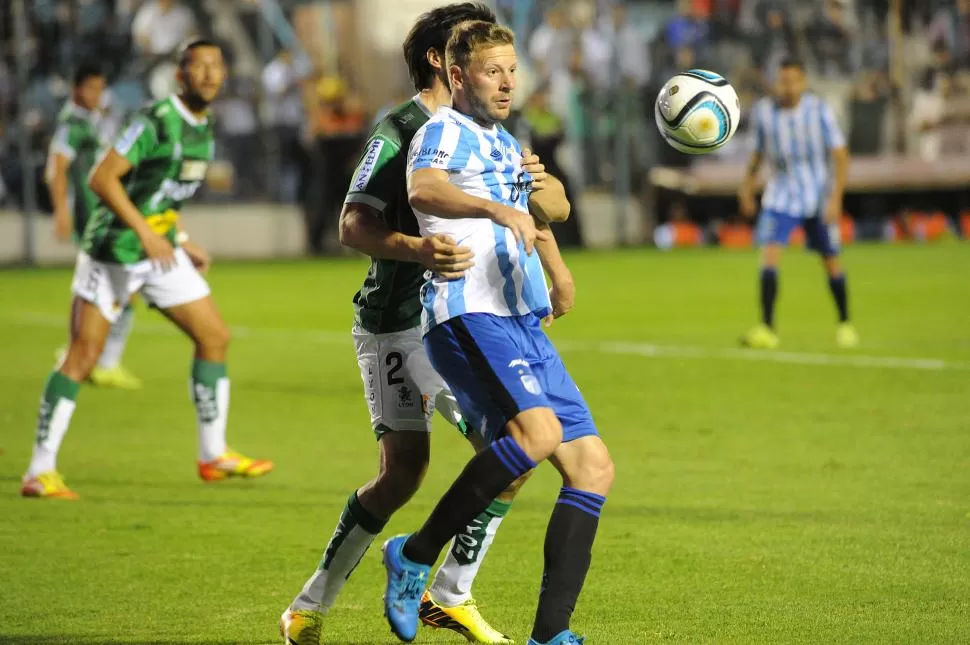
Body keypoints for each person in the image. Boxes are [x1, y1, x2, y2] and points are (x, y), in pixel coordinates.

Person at [279, 5, 576, 644]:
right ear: (447, 61)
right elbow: (351, 225)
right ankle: (312, 602)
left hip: (471, 317)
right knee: (403, 473)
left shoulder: (488, 127)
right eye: (476, 52)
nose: (500, 73)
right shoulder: (401, 129)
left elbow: (536, 205)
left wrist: (554, 262)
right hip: (397, 323)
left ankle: (452, 592)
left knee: (519, 447)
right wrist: (416, 249)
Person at [380, 21, 614, 645]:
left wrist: (557, 266)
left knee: (592, 466)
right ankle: (415, 553)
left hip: (519, 316)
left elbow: (552, 209)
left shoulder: (506, 142)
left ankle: (550, 635)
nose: (508, 81)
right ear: (458, 76)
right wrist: (492, 207)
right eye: (493, 71)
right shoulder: (441, 132)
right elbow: (423, 187)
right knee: (535, 435)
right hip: (465, 311)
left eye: (512, 69)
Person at [20, 39, 273, 500]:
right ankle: (39, 471)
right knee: (83, 355)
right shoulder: (157, 119)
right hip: (114, 248)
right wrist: (148, 233)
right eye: (199, 67)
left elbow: (161, 195)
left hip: (157, 251)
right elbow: (102, 177)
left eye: (217, 66)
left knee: (214, 337)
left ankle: (212, 454)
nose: (211, 75)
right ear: (180, 75)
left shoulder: (205, 124)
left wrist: (176, 237)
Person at [738, 57, 859, 350]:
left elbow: (840, 154)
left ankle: (845, 323)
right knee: (769, 256)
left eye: (793, 80)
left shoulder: (818, 111)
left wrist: (836, 197)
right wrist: (747, 186)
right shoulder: (766, 112)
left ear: (803, 82)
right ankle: (767, 328)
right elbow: (757, 154)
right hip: (780, 196)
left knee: (830, 260)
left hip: (817, 196)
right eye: (783, 80)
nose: (788, 87)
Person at [46, 62, 141, 389]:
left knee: (96, 290)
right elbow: (56, 169)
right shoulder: (72, 125)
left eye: (101, 88)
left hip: (101, 215)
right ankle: (106, 362)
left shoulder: (87, 121)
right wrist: (61, 212)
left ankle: (81, 353)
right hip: (95, 218)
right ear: (77, 90)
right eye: (92, 89)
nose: (98, 95)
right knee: (127, 285)